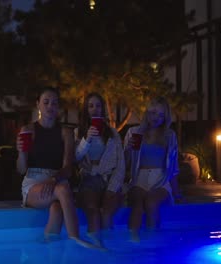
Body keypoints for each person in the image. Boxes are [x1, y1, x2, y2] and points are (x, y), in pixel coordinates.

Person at [17, 87, 98, 249]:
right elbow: (21, 170)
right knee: (62, 190)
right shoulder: (28, 130)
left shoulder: (65, 132)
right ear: (38, 104)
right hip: (33, 182)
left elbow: (68, 168)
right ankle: (76, 238)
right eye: (46, 102)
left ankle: (46, 247)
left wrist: (53, 179)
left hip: (57, 179)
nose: (50, 106)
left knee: (56, 208)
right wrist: (21, 153)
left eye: (54, 103)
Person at [123, 96, 180, 242]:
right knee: (138, 203)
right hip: (139, 178)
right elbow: (125, 163)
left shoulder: (169, 136)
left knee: (151, 202)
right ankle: (132, 240)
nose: (157, 118)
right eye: (154, 113)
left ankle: (151, 240)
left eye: (161, 115)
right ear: (147, 112)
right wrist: (127, 149)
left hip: (160, 179)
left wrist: (177, 192)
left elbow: (173, 167)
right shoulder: (134, 133)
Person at [74, 92, 125, 247]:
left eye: (98, 106)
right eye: (90, 106)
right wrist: (87, 139)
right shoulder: (79, 133)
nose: (94, 109)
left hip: (109, 178)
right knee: (92, 210)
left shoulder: (112, 133)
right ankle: (95, 250)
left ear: (102, 109)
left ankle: (109, 249)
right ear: (86, 110)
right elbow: (75, 158)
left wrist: (112, 188)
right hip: (89, 179)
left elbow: (120, 164)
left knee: (106, 212)